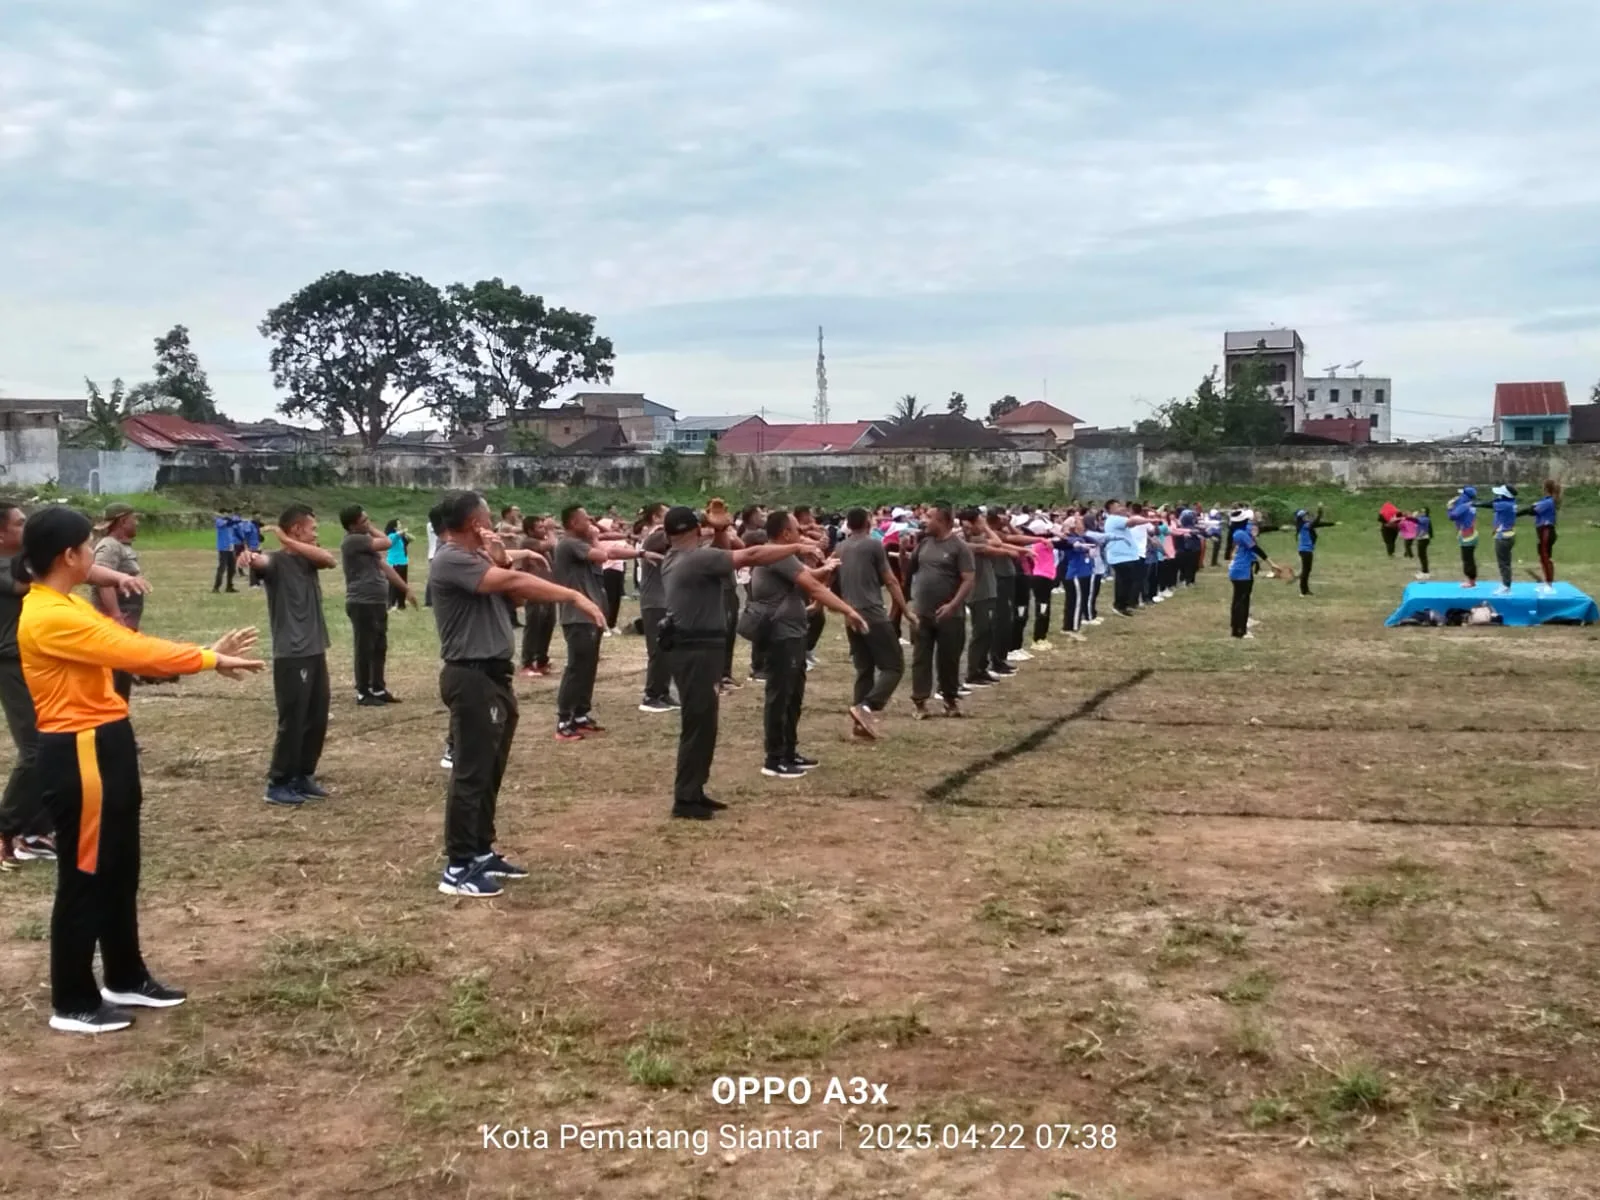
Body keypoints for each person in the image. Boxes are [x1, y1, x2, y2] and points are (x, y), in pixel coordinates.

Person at [16, 506, 262, 1033]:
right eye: (87, 546)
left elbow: (129, 651)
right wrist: (208, 659)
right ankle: (73, 1000)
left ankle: (125, 975)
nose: (93, 553)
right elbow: (129, 649)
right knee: (85, 874)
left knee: (120, 866)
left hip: (107, 739)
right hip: (79, 749)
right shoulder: (49, 615)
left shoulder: (67, 603)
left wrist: (200, 653)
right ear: (69, 556)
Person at [429, 491, 604, 897]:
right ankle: (457, 867)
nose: (492, 521)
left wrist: (501, 557)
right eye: (487, 516)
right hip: (470, 675)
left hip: (493, 674)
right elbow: (512, 583)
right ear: (474, 523)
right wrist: (572, 594)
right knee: (471, 771)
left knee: (490, 768)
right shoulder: (450, 558)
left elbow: (517, 598)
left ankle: (479, 849)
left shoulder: (478, 558)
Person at [1, 505, 152, 871]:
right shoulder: (10, 567)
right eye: (19, 523)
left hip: (41, 660)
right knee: (36, 748)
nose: (26, 526)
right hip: (12, 662)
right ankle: (7, 829)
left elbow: (82, 570)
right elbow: (41, 580)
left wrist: (118, 577)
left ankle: (36, 830)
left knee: (51, 745)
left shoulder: (28, 559)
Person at [660, 506, 819, 817]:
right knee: (698, 724)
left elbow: (719, 555)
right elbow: (752, 555)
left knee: (703, 724)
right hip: (697, 649)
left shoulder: (679, 557)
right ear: (696, 529)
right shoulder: (696, 559)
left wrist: (721, 530)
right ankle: (686, 798)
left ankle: (694, 790)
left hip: (693, 648)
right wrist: (797, 547)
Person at [748, 510, 865, 778]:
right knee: (780, 696)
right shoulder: (776, 555)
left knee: (793, 695)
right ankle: (774, 758)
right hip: (781, 635)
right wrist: (848, 610)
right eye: (796, 529)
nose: (801, 533)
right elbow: (813, 587)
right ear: (785, 533)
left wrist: (827, 567)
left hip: (792, 633)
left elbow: (810, 577)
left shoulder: (784, 556)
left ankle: (789, 751)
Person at [237, 505, 336, 806]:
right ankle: (278, 782)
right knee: (294, 719)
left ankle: (303, 775)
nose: (316, 534)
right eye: (312, 529)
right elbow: (260, 561)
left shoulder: (309, 559)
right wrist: (249, 557)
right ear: (296, 529)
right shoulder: (277, 562)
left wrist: (287, 539)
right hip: (292, 654)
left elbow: (329, 560)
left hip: (315, 649)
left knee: (316, 717)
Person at [551, 506, 647, 741]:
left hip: (590, 616)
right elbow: (605, 555)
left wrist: (641, 554)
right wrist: (595, 536)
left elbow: (610, 547)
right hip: (577, 616)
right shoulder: (569, 544)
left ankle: (580, 715)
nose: (591, 523)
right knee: (577, 668)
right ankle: (564, 719)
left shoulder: (581, 545)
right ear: (573, 523)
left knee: (588, 667)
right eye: (586, 520)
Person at [838, 507, 913, 739]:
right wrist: (906, 611)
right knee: (894, 667)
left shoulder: (841, 548)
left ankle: (860, 723)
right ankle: (867, 706)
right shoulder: (873, 545)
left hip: (851, 614)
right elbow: (890, 580)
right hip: (872, 613)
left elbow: (832, 580)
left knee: (865, 669)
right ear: (868, 522)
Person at [340, 505, 415, 707]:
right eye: (364, 520)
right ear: (352, 526)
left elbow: (386, 567)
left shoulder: (366, 544)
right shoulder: (354, 540)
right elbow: (388, 542)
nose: (368, 523)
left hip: (376, 601)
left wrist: (405, 589)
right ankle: (363, 691)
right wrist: (371, 529)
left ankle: (378, 687)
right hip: (362, 602)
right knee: (364, 648)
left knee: (379, 646)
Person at [906, 502, 975, 720]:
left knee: (949, 659)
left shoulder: (959, 547)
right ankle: (920, 702)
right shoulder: (924, 543)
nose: (924, 521)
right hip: (922, 612)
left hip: (950, 615)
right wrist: (902, 550)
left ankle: (950, 700)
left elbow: (968, 579)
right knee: (920, 659)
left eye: (929, 517)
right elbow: (910, 569)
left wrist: (953, 605)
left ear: (943, 521)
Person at [90, 504, 145, 702]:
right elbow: (102, 581)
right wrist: (116, 615)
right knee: (113, 673)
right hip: (114, 622)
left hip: (126, 620)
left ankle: (120, 711)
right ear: (122, 521)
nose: (136, 523)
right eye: (133, 519)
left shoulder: (121, 546)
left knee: (124, 671)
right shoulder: (109, 546)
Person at [635, 504, 675, 712]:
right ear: (656, 517)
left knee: (667, 648)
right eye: (667, 513)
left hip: (664, 599)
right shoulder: (657, 536)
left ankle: (663, 692)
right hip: (654, 601)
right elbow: (680, 536)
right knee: (658, 650)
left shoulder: (660, 537)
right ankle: (651, 696)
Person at [1227, 510, 1284, 640]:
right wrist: (1271, 564)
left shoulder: (1239, 531)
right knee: (1242, 601)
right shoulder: (1240, 534)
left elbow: (1258, 530)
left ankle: (1236, 628)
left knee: (1239, 600)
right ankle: (1240, 631)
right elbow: (1255, 548)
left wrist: (1275, 528)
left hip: (1240, 570)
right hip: (1242, 570)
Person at [516, 516, 557, 679]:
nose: (543, 530)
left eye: (543, 527)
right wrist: (551, 529)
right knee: (534, 627)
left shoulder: (543, 543)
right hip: (534, 591)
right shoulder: (529, 543)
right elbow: (550, 543)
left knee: (547, 626)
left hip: (548, 590)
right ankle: (527, 663)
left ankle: (542, 661)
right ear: (530, 531)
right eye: (539, 527)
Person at [1294, 506, 1333, 597]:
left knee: (1307, 570)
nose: (1307, 516)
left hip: (1306, 550)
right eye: (1305, 516)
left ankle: (1305, 590)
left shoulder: (1304, 525)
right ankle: (1303, 591)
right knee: (1305, 570)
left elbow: (1318, 524)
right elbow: (1316, 522)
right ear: (1301, 518)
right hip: (1305, 551)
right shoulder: (1305, 526)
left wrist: (1332, 524)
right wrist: (1319, 514)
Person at [1446, 487, 1480, 590]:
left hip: (1467, 536)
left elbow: (1452, 516)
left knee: (1467, 559)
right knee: (1469, 558)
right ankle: (1471, 580)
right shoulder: (1470, 505)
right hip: (1472, 533)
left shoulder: (1464, 506)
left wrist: (1449, 507)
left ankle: (1471, 581)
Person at [1488, 484, 1518, 595]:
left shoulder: (1504, 505)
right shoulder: (1511, 503)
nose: (1498, 495)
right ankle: (1506, 584)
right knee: (1506, 562)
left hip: (1503, 537)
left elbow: (1489, 504)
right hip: (1509, 535)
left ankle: (1506, 586)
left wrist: (1473, 503)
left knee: (1503, 563)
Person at [1530, 480, 1560, 591]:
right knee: (1543, 558)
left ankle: (1549, 583)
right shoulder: (1545, 500)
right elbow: (1534, 506)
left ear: (1546, 488)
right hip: (1543, 532)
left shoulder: (1548, 502)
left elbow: (1532, 510)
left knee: (1545, 557)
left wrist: (1516, 514)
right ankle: (1548, 582)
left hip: (1546, 531)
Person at [385, 519, 412, 610]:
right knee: (394, 585)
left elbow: (412, 538)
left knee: (403, 583)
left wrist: (405, 534)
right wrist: (402, 531)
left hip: (403, 562)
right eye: (398, 524)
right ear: (394, 527)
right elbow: (396, 535)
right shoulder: (391, 536)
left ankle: (401, 604)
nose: (400, 525)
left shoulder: (401, 537)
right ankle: (391, 604)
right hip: (394, 563)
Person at [212, 513, 241, 593]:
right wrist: (227, 519)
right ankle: (216, 587)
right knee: (222, 568)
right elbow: (223, 523)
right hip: (223, 548)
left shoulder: (230, 525)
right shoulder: (219, 521)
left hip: (230, 548)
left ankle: (229, 587)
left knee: (232, 568)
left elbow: (236, 522)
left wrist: (232, 520)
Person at [1412, 508, 1433, 580]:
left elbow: (1416, 520)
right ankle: (1424, 571)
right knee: (1421, 555)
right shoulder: (1421, 518)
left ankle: (1426, 573)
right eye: (1421, 511)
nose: (1421, 512)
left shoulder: (1426, 519)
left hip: (1424, 539)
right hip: (1421, 539)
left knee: (1422, 556)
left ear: (1426, 513)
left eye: (1423, 512)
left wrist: (1414, 516)